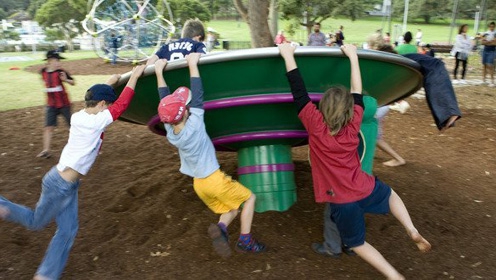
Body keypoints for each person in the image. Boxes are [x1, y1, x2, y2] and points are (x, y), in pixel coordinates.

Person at [278, 42, 431, 279]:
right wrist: (352, 56)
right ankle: (411, 229)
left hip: (342, 200)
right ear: (350, 110)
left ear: (322, 109)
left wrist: (288, 54)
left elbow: (298, 90)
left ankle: (393, 275)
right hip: (364, 185)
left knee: (358, 243)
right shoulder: (353, 123)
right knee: (390, 194)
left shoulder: (315, 124)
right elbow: (356, 90)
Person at [0, 65, 146, 280]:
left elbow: (97, 97)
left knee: (68, 231)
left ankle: (46, 275)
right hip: (59, 185)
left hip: (66, 184)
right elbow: (122, 105)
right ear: (103, 105)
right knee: (35, 222)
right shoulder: (97, 121)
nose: (108, 110)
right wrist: (134, 76)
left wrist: (109, 81)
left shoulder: (80, 115)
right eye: (107, 106)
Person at [154, 53, 265, 257]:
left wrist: (159, 72)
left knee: (231, 209)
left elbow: (165, 101)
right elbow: (197, 93)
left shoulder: (171, 132)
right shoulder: (195, 123)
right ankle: (245, 240)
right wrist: (192, 64)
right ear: (186, 111)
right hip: (214, 180)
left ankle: (222, 229)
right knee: (250, 199)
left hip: (199, 185)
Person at [368, 33, 461, 131]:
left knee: (433, 71)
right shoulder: (379, 54)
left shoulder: (381, 52)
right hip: (400, 66)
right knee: (435, 66)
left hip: (401, 67)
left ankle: (446, 115)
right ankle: (447, 114)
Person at [37, 50, 75, 159]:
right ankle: (46, 150)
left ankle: (80, 147)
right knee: (48, 127)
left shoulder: (61, 72)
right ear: (49, 61)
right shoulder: (43, 72)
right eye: (56, 60)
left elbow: (73, 82)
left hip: (64, 104)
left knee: (72, 127)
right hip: (51, 105)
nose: (58, 62)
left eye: (59, 60)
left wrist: (65, 79)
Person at [481, 21, 496, 87]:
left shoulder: (495, 33)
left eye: (493, 26)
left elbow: (494, 43)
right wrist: (490, 42)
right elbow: (482, 42)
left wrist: (487, 42)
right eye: (490, 26)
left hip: (492, 50)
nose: (491, 28)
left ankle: (492, 81)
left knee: (490, 65)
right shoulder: (486, 33)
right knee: (484, 65)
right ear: (489, 26)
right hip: (485, 50)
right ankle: (484, 80)